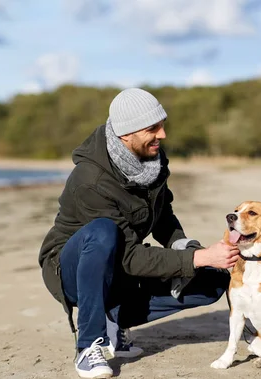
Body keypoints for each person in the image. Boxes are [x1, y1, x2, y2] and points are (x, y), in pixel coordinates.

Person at [38, 88, 239, 379]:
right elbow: (130, 256)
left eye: (162, 124)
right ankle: (88, 345)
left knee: (212, 282)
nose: (163, 134)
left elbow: (163, 215)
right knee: (103, 232)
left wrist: (188, 248)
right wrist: (198, 257)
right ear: (125, 134)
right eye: (153, 128)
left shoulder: (153, 158)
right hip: (71, 268)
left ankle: (113, 319)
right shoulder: (90, 181)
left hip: (120, 265)